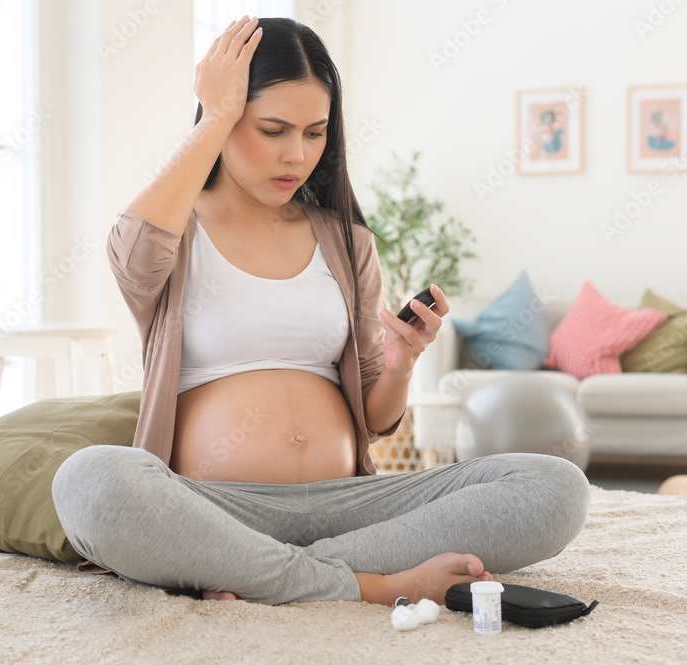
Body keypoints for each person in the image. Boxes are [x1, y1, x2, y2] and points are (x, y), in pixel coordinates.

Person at [51, 15, 591, 607]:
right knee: (90, 480)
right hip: (217, 508)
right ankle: (364, 584)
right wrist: (214, 113)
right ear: (226, 119)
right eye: (273, 129)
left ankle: (265, 576)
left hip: (354, 510)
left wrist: (400, 364)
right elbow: (130, 250)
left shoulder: (346, 241)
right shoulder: (176, 236)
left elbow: (377, 418)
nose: (296, 155)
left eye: (314, 133)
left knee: (555, 486)